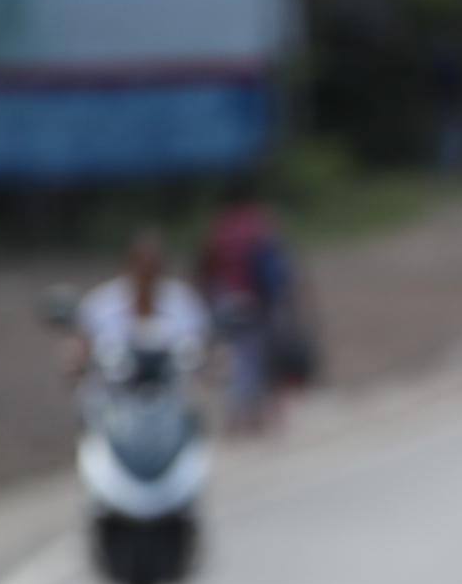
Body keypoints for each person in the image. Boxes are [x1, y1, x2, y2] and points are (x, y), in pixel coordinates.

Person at [199, 182, 298, 434]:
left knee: (233, 358)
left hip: (223, 300)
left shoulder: (218, 226)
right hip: (254, 301)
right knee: (257, 358)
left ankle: (235, 414)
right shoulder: (259, 224)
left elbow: (204, 265)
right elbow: (277, 266)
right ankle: (255, 415)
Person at [71, 231, 211, 391]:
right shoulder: (100, 304)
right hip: (111, 397)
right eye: (140, 266)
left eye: (152, 267)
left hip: (171, 397)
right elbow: (80, 344)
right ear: (128, 264)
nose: (146, 274)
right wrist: (75, 362)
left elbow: (203, 343)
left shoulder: (186, 303)